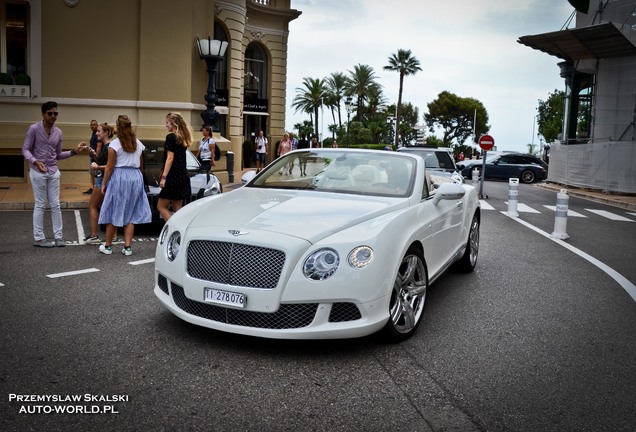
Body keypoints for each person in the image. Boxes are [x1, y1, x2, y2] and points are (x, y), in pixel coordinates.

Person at [22, 101, 87, 248]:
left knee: (55, 205)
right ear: (43, 114)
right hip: (38, 172)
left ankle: (59, 237)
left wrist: (74, 152)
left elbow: (58, 154)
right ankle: (39, 239)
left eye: (55, 113)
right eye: (50, 113)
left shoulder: (58, 132)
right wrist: (35, 161)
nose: (53, 116)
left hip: (53, 171)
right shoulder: (33, 129)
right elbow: (25, 149)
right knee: (39, 204)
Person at [98, 115, 151, 255]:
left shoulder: (115, 144)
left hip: (120, 176)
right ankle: (128, 247)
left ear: (118, 127)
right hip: (135, 176)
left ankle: (108, 246)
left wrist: (104, 183)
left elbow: (110, 166)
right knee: (131, 212)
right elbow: (141, 164)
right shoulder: (138, 143)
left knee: (114, 209)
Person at [157, 112, 192, 222]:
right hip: (182, 176)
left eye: (167, 123)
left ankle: (174, 228)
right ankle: (181, 231)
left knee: (161, 206)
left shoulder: (171, 137)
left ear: (173, 124)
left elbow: (170, 158)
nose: (166, 125)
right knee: (178, 208)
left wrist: (163, 177)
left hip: (172, 177)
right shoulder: (183, 138)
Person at [83, 122, 114, 245]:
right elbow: (103, 162)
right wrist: (92, 152)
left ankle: (94, 235)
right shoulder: (108, 146)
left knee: (93, 206)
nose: (96, 133)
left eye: (99, 131)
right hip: (106, 179)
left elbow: (110, 166)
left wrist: (97, 167)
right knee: (109, 208)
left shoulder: (108, 147)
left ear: (106, 133)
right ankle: (114, 236)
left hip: (103, 179)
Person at [84, 119, 100, 194]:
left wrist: (96, 156)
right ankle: (93, 187)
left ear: (97, 125)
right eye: (91, 125)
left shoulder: (97, 134)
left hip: (95, 157)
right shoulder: (93, 134)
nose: (92, 126)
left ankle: (95, 188)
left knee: (95, 173)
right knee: (92, 173)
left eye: (94, 125)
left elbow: (98, 146)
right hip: (92, 156)